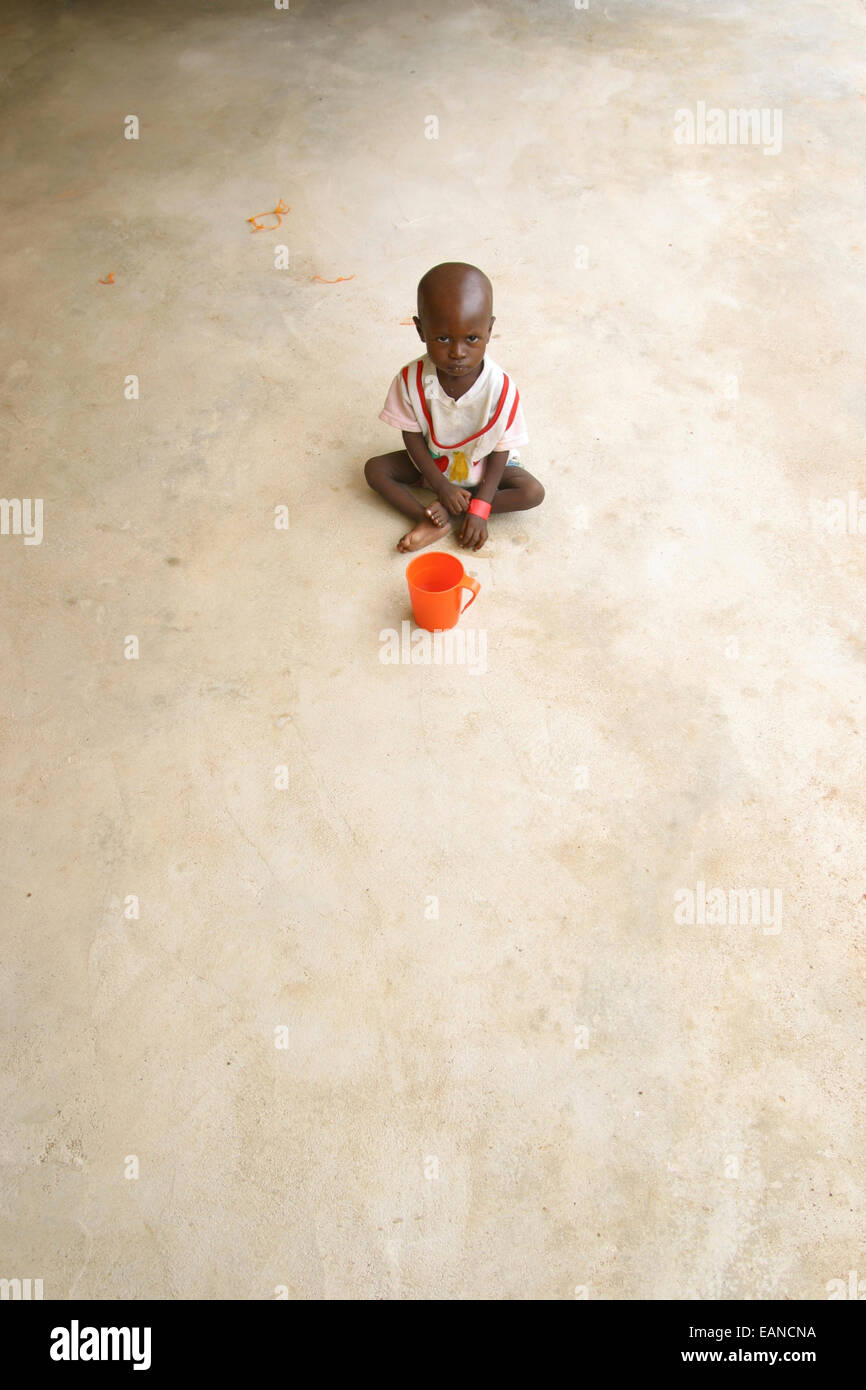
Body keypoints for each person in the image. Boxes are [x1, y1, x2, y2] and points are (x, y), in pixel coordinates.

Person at [365, 262, 544, 552]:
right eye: (443, 338)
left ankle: (457, 507)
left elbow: (500, 448)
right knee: (374, 470)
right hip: (435, 461)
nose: (457, 352)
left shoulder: (501, 387)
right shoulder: (410, 379)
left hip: (484, 464)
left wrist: (482, 507)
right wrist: (441, 487)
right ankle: (431, 519)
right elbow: (410, 436)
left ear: (489, 329)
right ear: (421, 330)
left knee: (532, 492)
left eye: (472, 338)